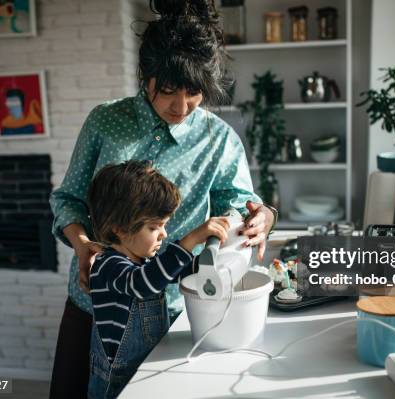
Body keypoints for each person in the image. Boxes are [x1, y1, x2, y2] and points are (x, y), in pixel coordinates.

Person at [48, 1, 277, 397]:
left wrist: (263, 216)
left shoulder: (218, 139)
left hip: (174, 309)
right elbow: (68, 199)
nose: (181, 106)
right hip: (93, 304)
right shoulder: (105, 122)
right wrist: (82, 244)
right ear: (146, 76)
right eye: (169, 90)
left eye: (194, 93)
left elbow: (240, 202)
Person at [85, 160, 230, 398]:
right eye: (154, 227)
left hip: (147, 364)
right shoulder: (108, 265)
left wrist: (212, 260)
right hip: (117, 381)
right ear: (119, 229)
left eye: (164, 225)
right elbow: (143, 284)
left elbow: (178, 270)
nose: (164, 233)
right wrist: (192, 238)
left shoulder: (144, 262)